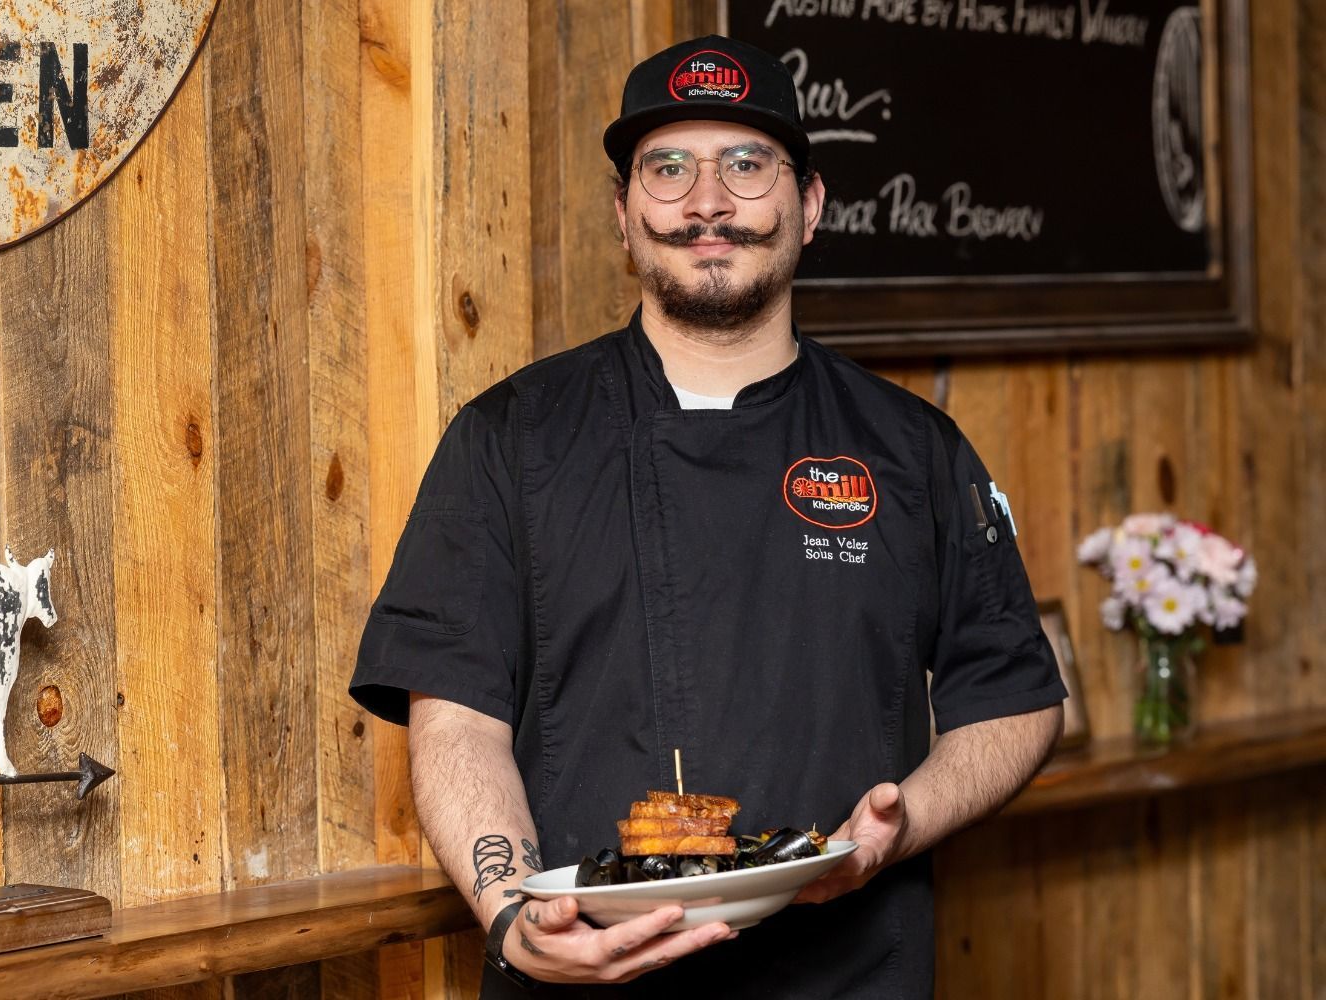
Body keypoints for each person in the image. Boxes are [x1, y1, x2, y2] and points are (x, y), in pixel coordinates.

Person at [351, 33, 1066, 999]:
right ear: (624, 211)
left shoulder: (913, 450)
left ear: (808, 206)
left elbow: (1015, 697)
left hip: (847, 974)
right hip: (583, 983)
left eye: (746, 163)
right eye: (668, 169)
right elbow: (457, 720)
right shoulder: (508, 440)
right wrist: (514, 915)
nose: (707, 203)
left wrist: (897, 829)